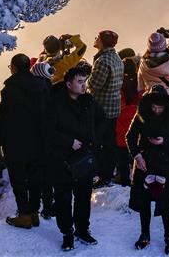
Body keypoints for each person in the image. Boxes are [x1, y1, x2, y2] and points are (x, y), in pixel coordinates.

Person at [46, 66, 105, 252]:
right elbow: (47, 129)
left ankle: (82, 229)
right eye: (79, 82)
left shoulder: (89, 101)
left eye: (85, 81)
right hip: (61, 158)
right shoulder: (54, 102)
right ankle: (67, 233)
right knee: (63, 198)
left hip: (84, 157)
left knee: (83, 196)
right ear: (68, 83)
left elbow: (102, 121)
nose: (83, 85)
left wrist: (93, 142)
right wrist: (68, 141)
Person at [126, 86, 169, 254]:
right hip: (144, 163)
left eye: (160, 107)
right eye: (154, 107)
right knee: (143, 201)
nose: (157, 110)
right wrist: (137, 156)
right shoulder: (141, 115)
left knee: (166, 203)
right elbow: (129, 137)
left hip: (166, 164)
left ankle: (168, 236)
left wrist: (164, 142)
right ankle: (145, 234)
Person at [0, 53, 49, 229]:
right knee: (36, 178)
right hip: (39, 140)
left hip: (16, 142)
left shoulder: (9, 89)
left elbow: (4, 118)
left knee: (18, 179)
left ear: (14, 67)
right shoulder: (42, 86)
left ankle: (24, 214)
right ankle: (35, 212)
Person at [87, 30, 123, 187]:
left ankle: (101, 174)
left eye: (97, 37)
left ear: (102, 41)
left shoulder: (102, 61)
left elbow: (94, 85)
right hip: (114, 106)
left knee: (98, 143)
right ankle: (107, 174)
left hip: (102, 108)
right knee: (109, 143)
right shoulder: (116, 58)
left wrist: (85, 81)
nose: (95, 39)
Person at [30, 60, 57, 218]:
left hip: (36, 138)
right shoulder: (51, 90)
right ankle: (48, 206)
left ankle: (35, 207)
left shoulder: (35, 91)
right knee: (48, 175)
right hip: (50, 139)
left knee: (36, 174)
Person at [137, 29, 169, 98]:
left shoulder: (143, 64)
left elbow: (140, 85)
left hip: (151, 100)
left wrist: (154, 42)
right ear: (164, 45)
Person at [116, 58, 141, 187]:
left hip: (121, 122)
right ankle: (136, 180)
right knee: (136, 155)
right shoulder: (139, 83)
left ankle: (124, 181)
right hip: (135, 122)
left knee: (122, 157)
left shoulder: (119, 84)